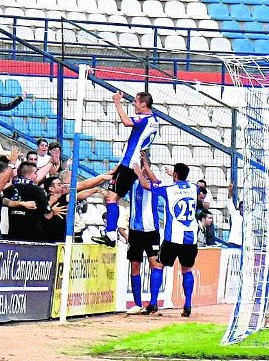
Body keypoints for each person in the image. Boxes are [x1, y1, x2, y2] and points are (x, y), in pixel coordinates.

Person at [92, 91, 159, 247]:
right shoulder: (155, 120)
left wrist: (117, 102)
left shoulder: (144, 118)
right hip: (132, 164)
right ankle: (110, 232)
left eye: (136, 101)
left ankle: (110, 234)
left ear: (143, 103)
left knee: (111, 198)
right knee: (113, 198)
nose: (134, 104)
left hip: (129, 164)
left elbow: (127, 122)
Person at [134, 162, 198, 317]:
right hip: (191, 238)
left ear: (175, 175)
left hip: (173, 238)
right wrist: (175, 175)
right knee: (187, 270)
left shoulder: (169, 190)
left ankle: (154, 303)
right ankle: (188, 305)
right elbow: (183, 184)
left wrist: (138, 172)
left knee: (158, 265)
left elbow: (146, 185)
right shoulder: (194, 188)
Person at [123, 152, 162, 315]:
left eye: (144, 166)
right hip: (135, 231)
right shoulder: (133, 182)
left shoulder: (154, 183)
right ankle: (138, 304)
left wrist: (144, 167)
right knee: (135, 265)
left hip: (152, 230)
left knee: (156, 264)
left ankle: (153, 303)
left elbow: (152, 182)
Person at [4, 161, 65, 241]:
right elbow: (47, 216)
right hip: (33, 236)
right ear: (28, 176)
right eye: (35, 173)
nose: (37, 175)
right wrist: (52, 207)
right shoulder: (38, 191)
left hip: (13, 235)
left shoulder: (9, 189)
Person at [227, 182, 243, 247]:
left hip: (243, 244)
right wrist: (230, 191)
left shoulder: (248, 218)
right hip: (233, 242)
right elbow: (229, 203)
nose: (242, 209)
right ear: (239, 208)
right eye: (241, 207)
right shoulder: (236, 214)